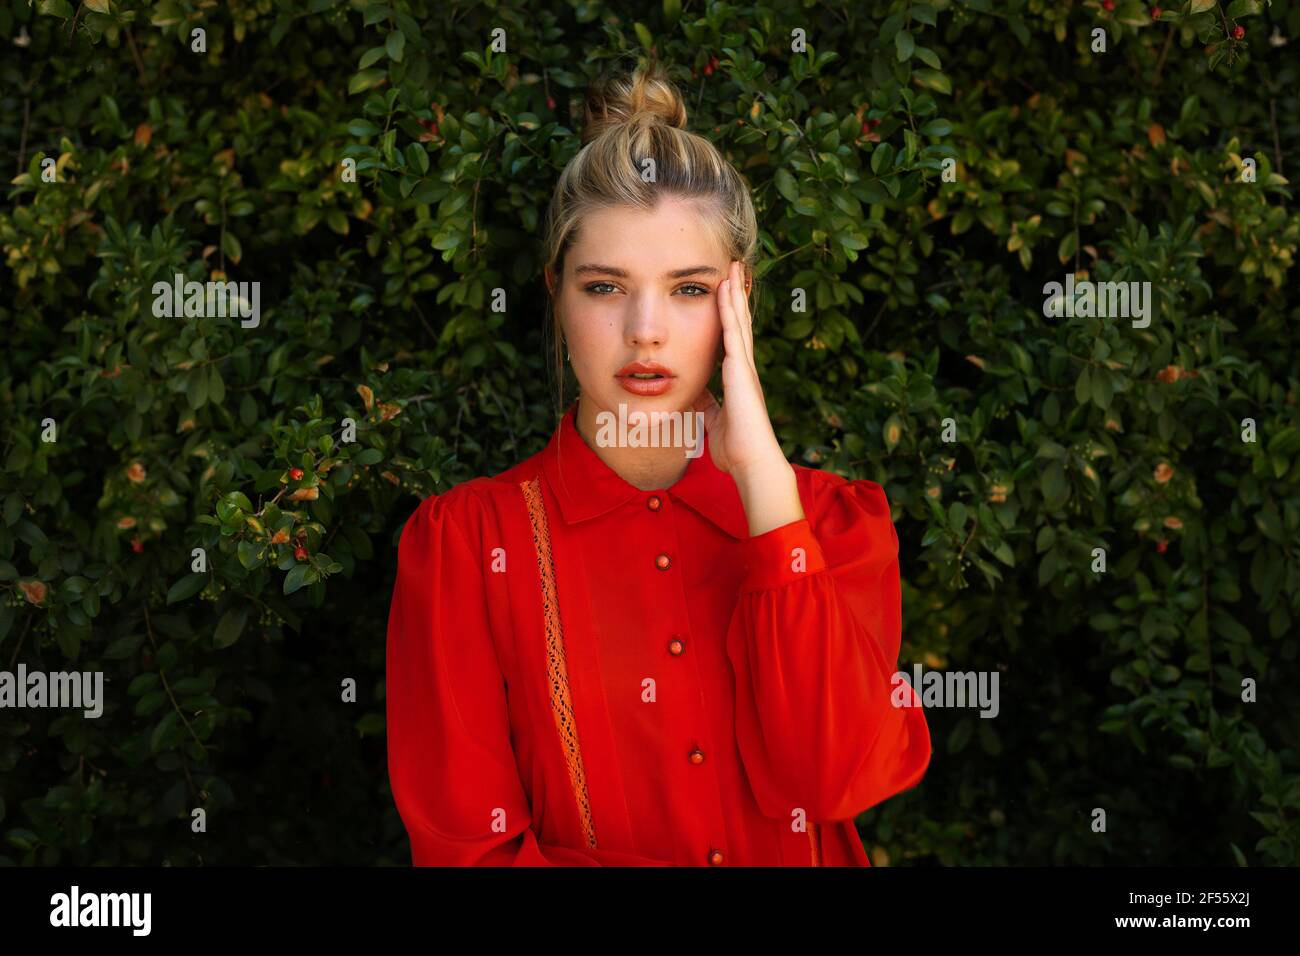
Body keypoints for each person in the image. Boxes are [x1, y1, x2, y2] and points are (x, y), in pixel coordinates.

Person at [385, 61, 931, 866]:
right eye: (605, 287)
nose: (645, 330)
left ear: (738, 298)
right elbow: (471, 852)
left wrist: (769, 503)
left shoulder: (829, 524)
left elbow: (832, 778)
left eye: (687, 290)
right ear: (556, 293)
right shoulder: (466, 546)